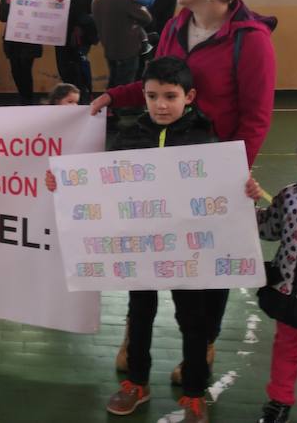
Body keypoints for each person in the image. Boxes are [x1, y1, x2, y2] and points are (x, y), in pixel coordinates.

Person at [92, 0, 277, 386]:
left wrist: (231, 173)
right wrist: (112, 96)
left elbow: (255, 118)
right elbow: (155, 81)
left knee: (206, 268)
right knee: (148, 251)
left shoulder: (251, 41)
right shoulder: (176, 25)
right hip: (164, 167)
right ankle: (135, 336)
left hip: (214, 173)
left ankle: (205, 339)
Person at [47, 57, 221, 423]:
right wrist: (67, 184)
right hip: (140, 249)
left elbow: (219, 189)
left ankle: (193, 393)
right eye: (152, 95)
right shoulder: (132, 134)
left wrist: (243, 190)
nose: (160, 104)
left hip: (185, 252)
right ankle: (137, 384)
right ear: (142, 95)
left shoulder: (205, 136)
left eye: (170, 96)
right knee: (139, 315)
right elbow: (103, 183)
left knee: (193, 321)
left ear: (189, 96)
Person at [251, 130, 297, 423]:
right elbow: (268, 228)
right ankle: (279, 401)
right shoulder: (290, 196)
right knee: (285, 350)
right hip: (288, 294)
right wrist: (247, 205)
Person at [91, 0, 152, 88]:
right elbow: (147, 18)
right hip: (128, 49)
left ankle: (110, 106)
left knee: (113, 81)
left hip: (109, 48)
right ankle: (122, 107)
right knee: (126, 86)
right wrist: (135, 23)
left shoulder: (96, 0)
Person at [53, 0, 100, 103]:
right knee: (64, 70)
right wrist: (54, 2)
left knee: (80, 70)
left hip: (83, 36)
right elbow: (51, 11)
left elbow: (97, 12)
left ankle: (84, 101)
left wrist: (83, 24)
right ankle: (68, 102)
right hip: (62, 35)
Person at [0, 0, 45, 105]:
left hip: (29, 41)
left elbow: (44, 13)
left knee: (25, 69)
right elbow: (2, 17)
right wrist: (7, 4)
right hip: (12, 40)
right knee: (15, 70)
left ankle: (28, 99)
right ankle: (22, 96)